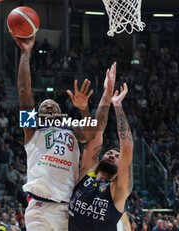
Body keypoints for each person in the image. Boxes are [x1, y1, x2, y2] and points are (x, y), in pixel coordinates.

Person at [9, 32, 95, 231]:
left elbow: (90, 133)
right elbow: (24, 92)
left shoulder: (72, 130)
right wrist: (25, 54)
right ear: (37, 115)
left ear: (61, 114)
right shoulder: (33, 131)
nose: (48, 107)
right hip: (38, 206)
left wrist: (83, 108)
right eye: (44, 107)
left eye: (53, 106)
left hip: (67, 207)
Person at [69, 70, 134, 230]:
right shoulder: (85, 176)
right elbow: (97, 132)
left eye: (116, 156)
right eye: (109, 153)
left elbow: (126, 146)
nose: (112, 155)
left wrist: (118, 106)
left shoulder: (118, 191)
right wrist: (107, 93)